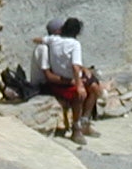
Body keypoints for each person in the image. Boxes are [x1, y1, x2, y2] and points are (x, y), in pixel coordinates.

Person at [43, 16, 104, 144]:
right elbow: (74, 67)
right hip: (60, 82)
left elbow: (75, 64)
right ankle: (76, 130)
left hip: (69, 78)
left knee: (94, 87)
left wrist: (84, 70)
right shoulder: (74, 44)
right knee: (79, 94)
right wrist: (79, 85)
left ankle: (85, 122)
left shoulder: (53, 40)